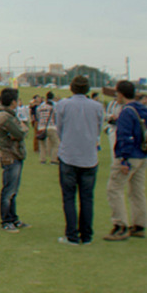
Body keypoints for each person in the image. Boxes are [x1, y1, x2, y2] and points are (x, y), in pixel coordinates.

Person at [54, 75, 104, 245]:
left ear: (71, 88)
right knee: (87, 198)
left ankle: (72, 235)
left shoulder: (63, 105)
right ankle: (86, 235)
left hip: (69, 155)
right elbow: (99, 129)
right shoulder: (97, 107)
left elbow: (59, 128)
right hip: (89, 156)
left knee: (69, 197)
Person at [104, 81, 147, 241]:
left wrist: (123, 159)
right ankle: (139, 224)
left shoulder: (126, 112)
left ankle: (120, 225)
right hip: (142, 154)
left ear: (121, 93)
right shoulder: (143, 109)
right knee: (137, 190)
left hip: (129, 155)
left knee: (114, 188)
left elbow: (124, 136)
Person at [0, 88, 30, 233]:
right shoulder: (5, 117)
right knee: (9, 189)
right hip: (10, 155)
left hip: (15, 154)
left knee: (13, 189)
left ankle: (13, 218)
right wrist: (22, 130)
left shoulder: (7, 115)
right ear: (14, 102)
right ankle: (6, 220)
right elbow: (20, 132)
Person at [36, 92, 59, 165]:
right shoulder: (54, 106)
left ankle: (42, 159)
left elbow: (38, 116)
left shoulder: (40, 107)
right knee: (55, 144)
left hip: (41, 126)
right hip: (51, 126)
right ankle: (53, 159)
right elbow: (56, 117)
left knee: (42, 145)